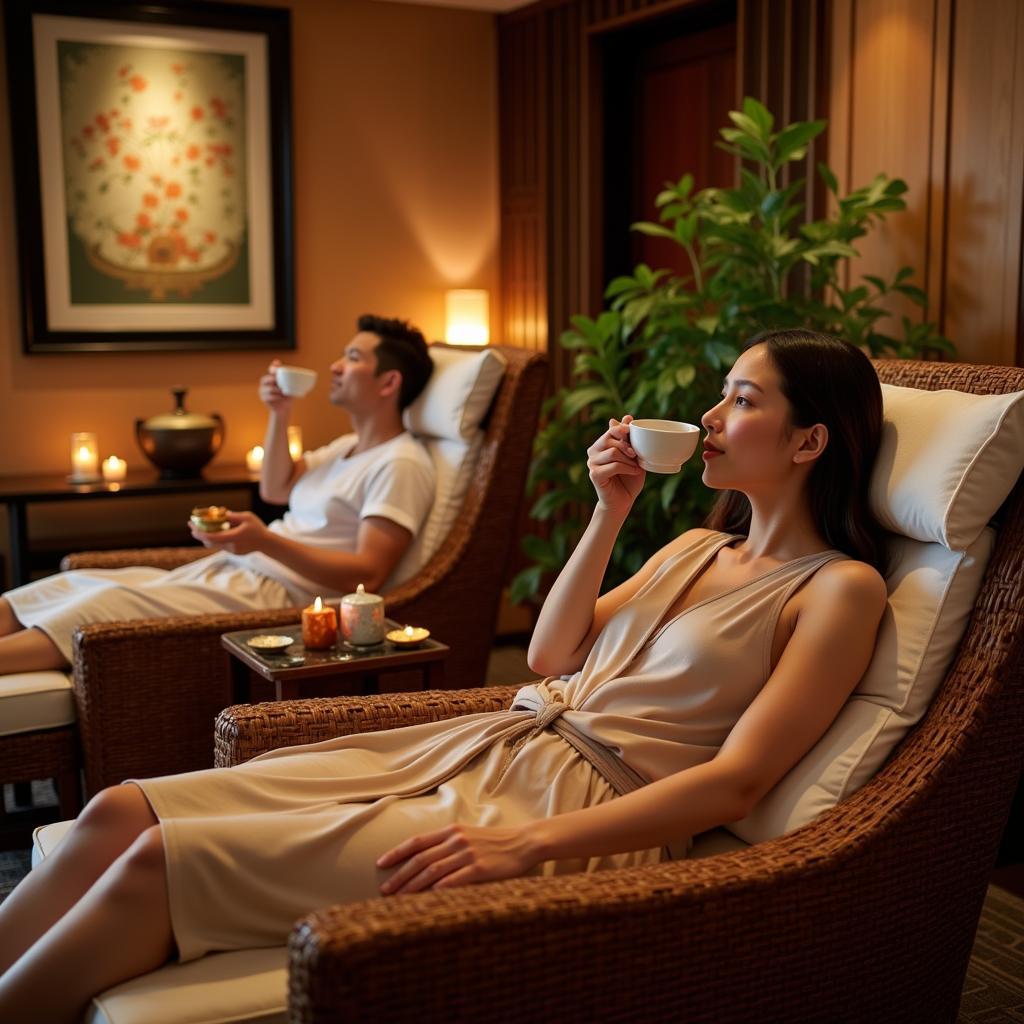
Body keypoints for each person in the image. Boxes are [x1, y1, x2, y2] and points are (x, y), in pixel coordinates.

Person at [0, 329, 889, 1021]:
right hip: (494, 740)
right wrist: (607, 512)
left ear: (810, 440)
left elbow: (736, 784)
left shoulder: (839, 591)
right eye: (720, 398)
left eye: (740, 401)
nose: (709, 419)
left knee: (158, 862)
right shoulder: (698, 545)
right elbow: (549, 656)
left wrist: (526, 846)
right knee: (119, 808)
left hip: (567, 811)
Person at [0, 315, 436, 677]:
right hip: (236, 571)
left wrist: (264, 540)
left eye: (354, 358)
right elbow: (276, 488)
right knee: (76, 582)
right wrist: (279, 414)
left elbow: (367, 574)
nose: (337, 366)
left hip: (276, 598)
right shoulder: (345, 448)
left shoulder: (400, 463)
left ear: (388, 382)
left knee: (102, 605)